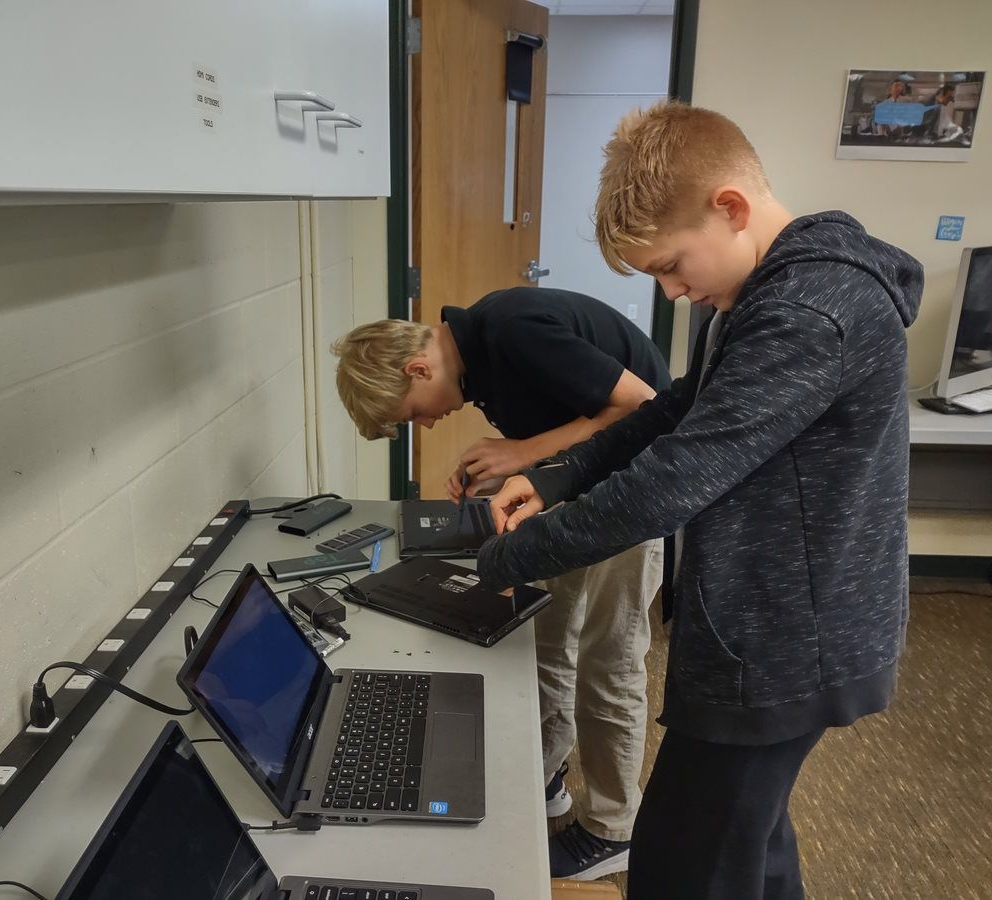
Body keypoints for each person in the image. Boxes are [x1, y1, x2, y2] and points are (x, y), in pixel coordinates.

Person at [476, 102, 922, 899]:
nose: (675, 291)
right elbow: (674, 411)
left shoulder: (808, 309)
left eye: (672, 266)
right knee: (750, 847)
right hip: (770, 629)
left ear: (732, 208)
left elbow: (672, 480)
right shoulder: (761, 295)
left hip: (786, 645)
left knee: (684, 867)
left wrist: (507, 559)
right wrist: (554, 477)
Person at [331, 287, 671, 879]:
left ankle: (614, 827)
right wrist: (510, 468)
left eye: (414, 411)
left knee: (608, 662)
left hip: (634, 490)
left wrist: (520, 451)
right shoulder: (478, 361)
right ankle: (547, 777)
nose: (428, 421)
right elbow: (565, 421)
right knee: (547, 639)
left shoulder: (513, 331)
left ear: (418, 367)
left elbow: (643, 405)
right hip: (577, 493)